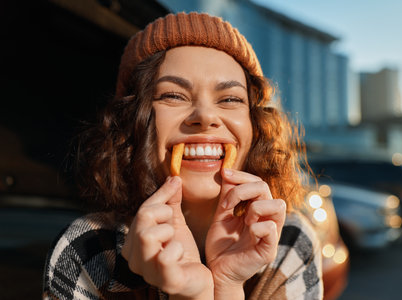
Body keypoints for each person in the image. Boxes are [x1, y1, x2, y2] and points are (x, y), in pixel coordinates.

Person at [43, 12, 323, 300]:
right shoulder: (86, 249)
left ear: (255, 127)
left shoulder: (290, 243)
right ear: (132, 123)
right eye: (173, 96)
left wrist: (226, 284)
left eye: (230, 99)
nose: (205, 116)